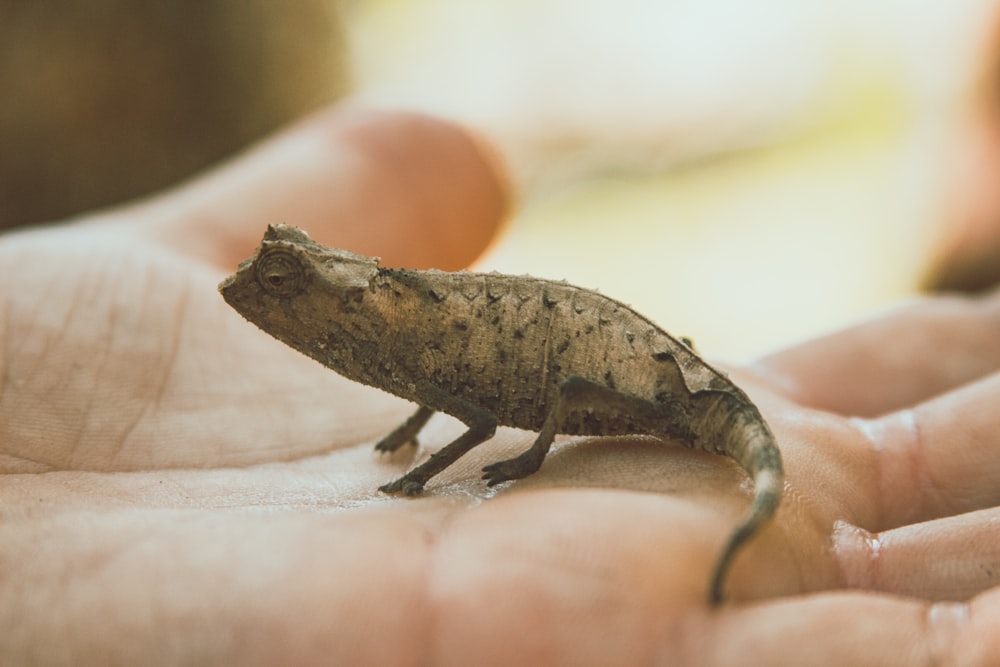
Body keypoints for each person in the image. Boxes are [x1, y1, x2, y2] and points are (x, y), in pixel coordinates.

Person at [2, 107, 997, 665]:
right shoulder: (388, 327)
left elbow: (475, 406)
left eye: (290, 288)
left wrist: (484, 459)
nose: (268, 303)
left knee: (548, 395)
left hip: (611, 375)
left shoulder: (392, 321)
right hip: (576, 357)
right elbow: (440, 383)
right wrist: (409, 447)